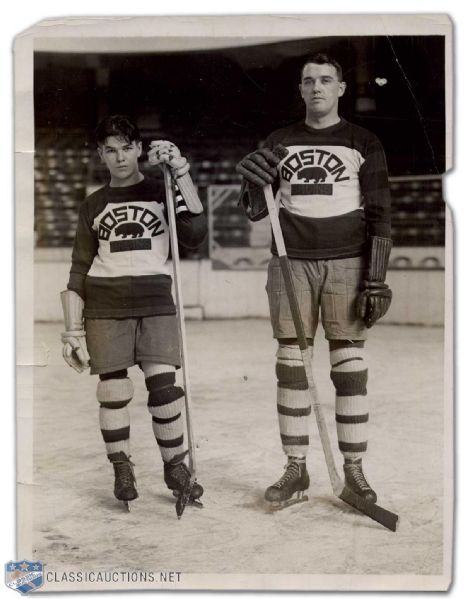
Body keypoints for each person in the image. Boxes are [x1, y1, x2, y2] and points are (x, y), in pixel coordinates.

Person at [237, 53, 392, 509]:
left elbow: (381, 213)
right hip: (291, 262)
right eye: (309, 81)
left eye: (327, 80)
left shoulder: (363, 141)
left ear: (341, 88)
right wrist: (250, 185)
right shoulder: (279, 140)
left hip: (347, 261)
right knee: (291, 364)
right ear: (300, 90)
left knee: (348, 369)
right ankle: (296, 468)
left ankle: (355, 473)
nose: (317, 87)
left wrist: (376, 278)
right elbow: (255, 211)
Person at [60, 115, 207, 510]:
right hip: (105, 306)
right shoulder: (93, 204)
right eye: (110, 149)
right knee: (113, 392)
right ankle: (122, 466)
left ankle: (175, 466)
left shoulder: (162, 189)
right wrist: (72, 330)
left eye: (126, 147)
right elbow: (79, 265)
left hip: (155, 302)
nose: (119, 157)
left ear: (139, 149)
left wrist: (180, 172)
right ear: (100, 154)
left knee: (164, 390)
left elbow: (194, 236)